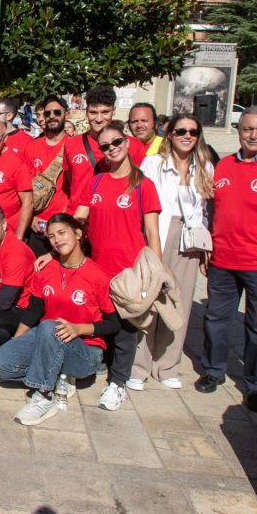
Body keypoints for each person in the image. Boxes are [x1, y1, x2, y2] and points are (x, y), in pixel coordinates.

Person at [198, 107, 257, 412]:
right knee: (215, 320)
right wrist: (207, 249)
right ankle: (214, 371)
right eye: (248, 129)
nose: (253, 135)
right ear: (239, 131)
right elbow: (212, 211)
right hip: (223, 260)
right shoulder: (223, 166)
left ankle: (256, 384)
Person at [0, 214, 119, 425]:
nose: (57, 240)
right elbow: (34, 310)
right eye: (51, 236)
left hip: (85, 351)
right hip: (47, 339)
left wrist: (78, 329)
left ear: (77, 234)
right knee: (0, 364)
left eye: (62, 233)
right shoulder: (46, 269)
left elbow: (113, 324)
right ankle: (58, 377)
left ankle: (44, 397)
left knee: (50, 326)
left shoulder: (98, 275)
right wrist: (17, 342)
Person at [71, 121, 162, 411]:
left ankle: (118, 383)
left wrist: (155, 274)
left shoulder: (142, 185)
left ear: (127, 143)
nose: (111, 149)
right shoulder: (95, 181)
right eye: (105, 146)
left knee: (125, 329)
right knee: (101, 322)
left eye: (116, 143)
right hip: (97, 268)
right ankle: (98, 365)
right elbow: (79, 218)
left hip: (128, 272)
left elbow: (152, 233)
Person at [131, 114, 213, 391]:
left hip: (188, 241)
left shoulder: (205, 166)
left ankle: (167, 365)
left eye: (193, 131)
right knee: (149, 298)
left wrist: (205, 248)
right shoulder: (153, 164)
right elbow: (141, 202)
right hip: (157, 233)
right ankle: (139, 365)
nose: (187, 136)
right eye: (180, 131)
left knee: (180, 302)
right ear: (169, 134)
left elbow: (203, 211)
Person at [62, 86, 145, 209]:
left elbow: (140, 185)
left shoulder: (133, 145)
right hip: (80, 221)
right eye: (93, 112)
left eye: (105, 112)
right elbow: (70, 184)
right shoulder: (71, 144)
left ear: (114, 111)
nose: (99, 119)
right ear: (86, 112)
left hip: (115, 219)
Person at [0, 203, 41, 350]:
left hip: (23, 309)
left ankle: (11, 353)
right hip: (3, 296)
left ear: (4, 225)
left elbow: (3, 303)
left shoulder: (16, 254)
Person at [23, 96, 72, 251]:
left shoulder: (74, 146)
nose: (52, 116)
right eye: (47, 113)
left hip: (64, 225)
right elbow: (24, 188)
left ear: (66, 114)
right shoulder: (32, 147)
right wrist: (30, 218)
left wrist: (66, 219)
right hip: (36, 225)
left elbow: (79, 189)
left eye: (57, 112)